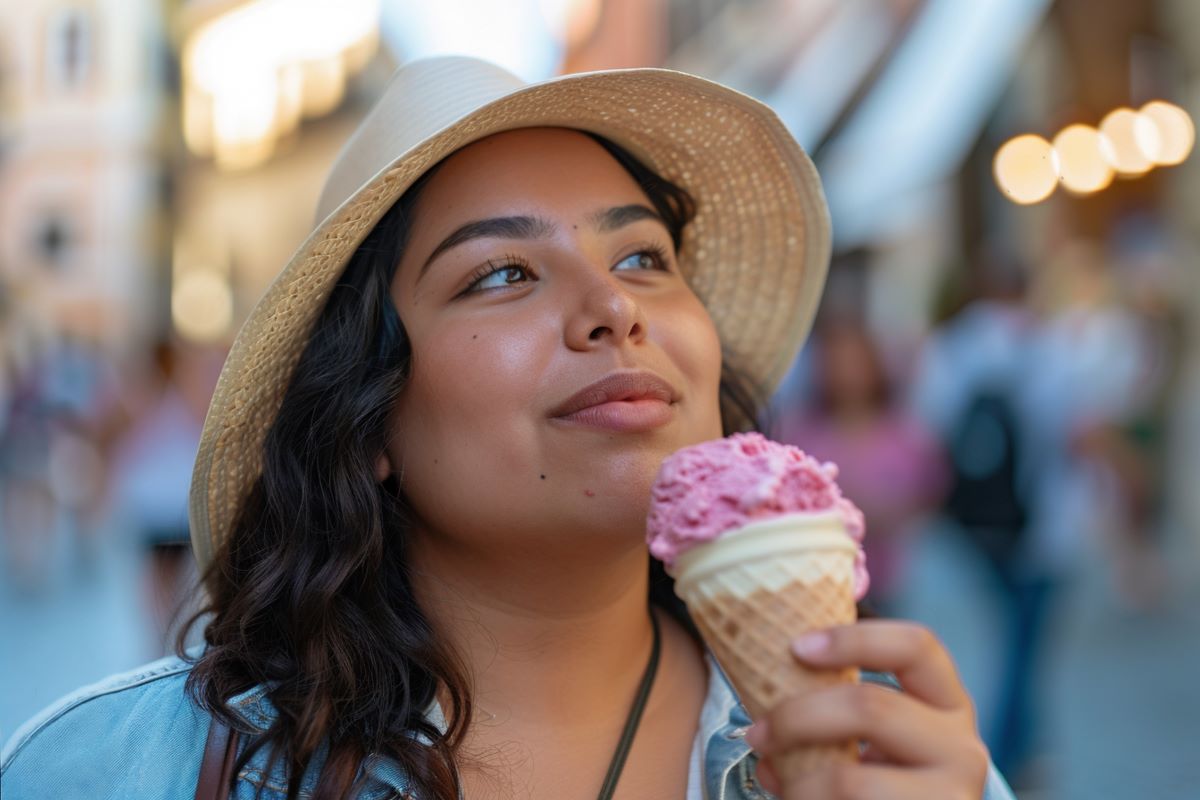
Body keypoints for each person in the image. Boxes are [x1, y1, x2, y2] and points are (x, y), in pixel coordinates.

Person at [1, 56, 1013, 800]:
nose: (612, 308)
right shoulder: (110, 770)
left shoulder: (900, 759)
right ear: (369, 415)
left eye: (644, 258)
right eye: (500, 274)